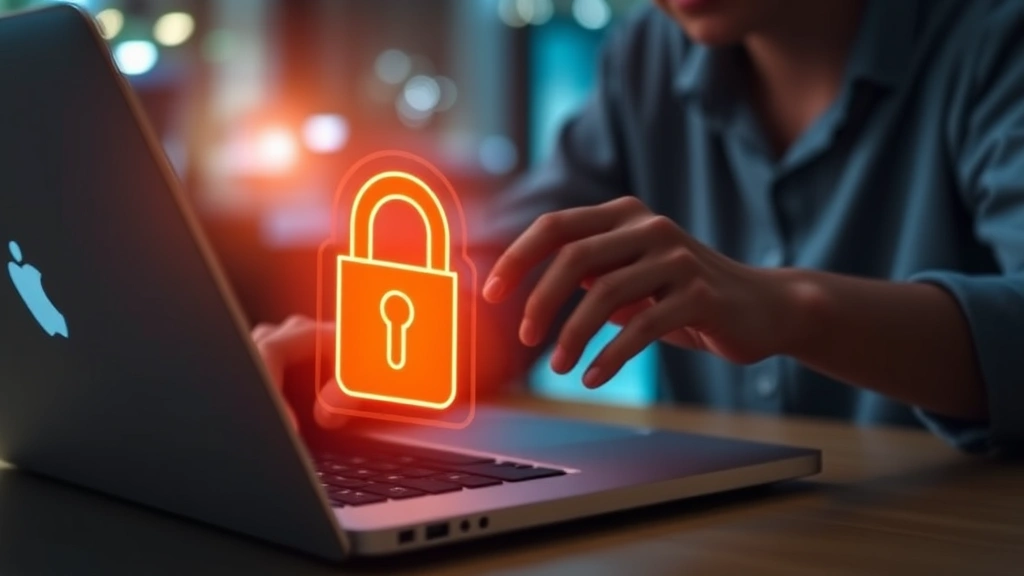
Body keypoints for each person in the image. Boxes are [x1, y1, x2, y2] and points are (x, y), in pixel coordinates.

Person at [255, 0, 1024, 454]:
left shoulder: (993, 42)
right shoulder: (649, 59)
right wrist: (375, 362)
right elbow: (518, 280)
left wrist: (788, 308)